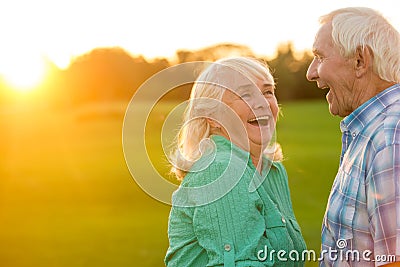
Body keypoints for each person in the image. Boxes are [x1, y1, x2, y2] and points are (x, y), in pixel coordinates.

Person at [164, 56, 306, 266]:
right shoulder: (221, 170)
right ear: (211, 115)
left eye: (267, 92)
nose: (262, 103)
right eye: (245, 94)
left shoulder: (273, 171)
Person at [306, 7, 400, 267]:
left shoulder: (390, 138)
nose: (311, 73)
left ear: (360, 61)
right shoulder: (370, 132)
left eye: (320, 57)